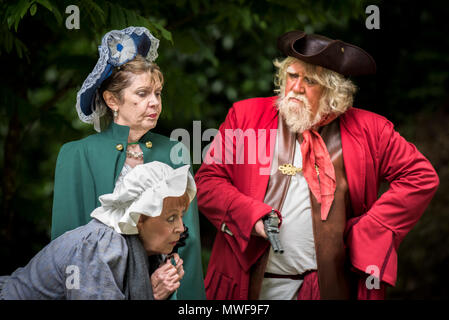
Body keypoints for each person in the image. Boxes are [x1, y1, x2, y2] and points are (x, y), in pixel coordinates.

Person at [195, 30, 439, 300]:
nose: (296, 87)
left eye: (309, 80)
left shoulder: (371, 130)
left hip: (329, 289)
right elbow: (207, 181)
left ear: (333, 90)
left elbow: (421, 176)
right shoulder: (246, 117)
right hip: (250, 286)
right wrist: (250, 217)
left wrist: (370, 229)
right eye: (292, 76)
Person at [50, 26, 205, 299]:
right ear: (112, 100)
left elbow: (186, 242)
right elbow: (65, 245)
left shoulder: (174, 152)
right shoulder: (77, 155)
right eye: (143, 94)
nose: (154, 102)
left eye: (158, 93)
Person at [0, 161, 195, 299]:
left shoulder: (144, 249)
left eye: (180, 216)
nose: (180, 227)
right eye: (171, 218)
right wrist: (151, 294)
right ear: (139, 217)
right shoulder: (100, 247)